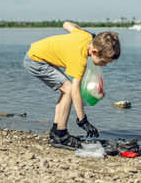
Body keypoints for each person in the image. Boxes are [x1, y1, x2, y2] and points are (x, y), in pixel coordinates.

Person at [23, 21, 120, 150]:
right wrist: (83, 120)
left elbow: (66, 24)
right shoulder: (79, 59)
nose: (104, 65)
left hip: (38, 55)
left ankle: (55, 132)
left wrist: (86, 32)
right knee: (68, 90)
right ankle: (61, 136)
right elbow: (76, 92)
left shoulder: (86, 36)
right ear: (95, 52)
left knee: (66, 90)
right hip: (36, 61)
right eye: (103, 61)